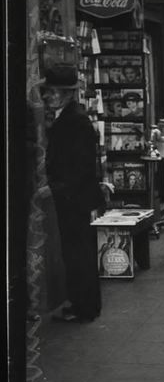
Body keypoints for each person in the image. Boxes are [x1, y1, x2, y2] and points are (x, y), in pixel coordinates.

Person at [38, 64, 104, 323]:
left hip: (75, 199)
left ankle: (85, 307)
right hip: (74, 197)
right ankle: (81, 303)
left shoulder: (75, 120)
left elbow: (80, 166)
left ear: (65, 93)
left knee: (79, 254)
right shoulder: (68, 117)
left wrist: (56, 187)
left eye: (50, 92)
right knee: (76, 253)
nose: (46, 96)